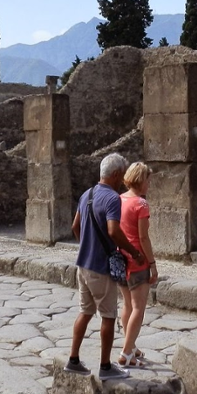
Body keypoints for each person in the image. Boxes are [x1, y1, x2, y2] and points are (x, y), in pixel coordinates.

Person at [64, 153, 144, 380]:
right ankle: (106, 366)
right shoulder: (112, 199)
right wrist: (133, 252)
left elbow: (75, 226)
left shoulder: (86, 194)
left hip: (83, 265)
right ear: (117, 174)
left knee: (85, 312)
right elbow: (113, 230)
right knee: (108, 316)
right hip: (100, 267)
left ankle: (74, 359)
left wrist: (86, 245)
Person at [116, 162, 158, 368]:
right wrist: (152, 263)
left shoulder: (119, 199)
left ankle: (130, 345)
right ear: (141, 180)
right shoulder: (141, 205)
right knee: (138, 309)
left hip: (120, 259)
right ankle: (126, 352)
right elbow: (143, 237)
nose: (149, 184)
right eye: (148, 180)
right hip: (137, 260)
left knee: (127, 305)